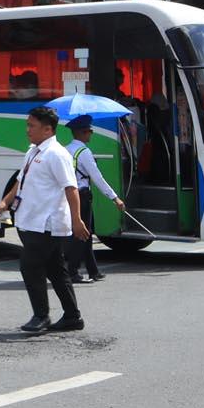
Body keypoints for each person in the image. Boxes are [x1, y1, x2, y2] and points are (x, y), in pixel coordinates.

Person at [0, 105, 88, 333]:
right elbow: (20, 180)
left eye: (32, 126)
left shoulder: (57, 154)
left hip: (46, 223)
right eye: (28, 124)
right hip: (31, 220)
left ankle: (41, 316)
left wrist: (77, 220)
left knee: (29, 266)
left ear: (47, 130)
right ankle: (72, 316)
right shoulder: (33, 151)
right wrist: (5, 202)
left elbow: (71, 188)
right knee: (56, 270)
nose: (27, 130)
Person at [66, 115, 125, 284]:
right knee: (81, 234)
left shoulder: (66, 149)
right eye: (89, 131)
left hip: (71, 196)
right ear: (81, 133)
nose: (91, 134)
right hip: (83, 197)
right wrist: (115, 198)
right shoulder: (84, 152)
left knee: (86, 234)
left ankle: (93, 271)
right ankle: (72, 272)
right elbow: (97, 178)